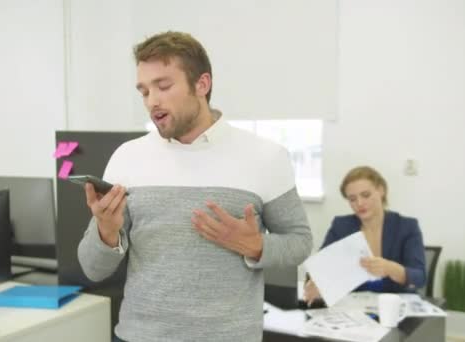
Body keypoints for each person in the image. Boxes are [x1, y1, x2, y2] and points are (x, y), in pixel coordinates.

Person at [77, 31, 313, 342]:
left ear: (202, 84)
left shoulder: (265, 157)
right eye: (144, 91)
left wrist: (255, 245)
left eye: (163, 86)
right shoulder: (127, 158)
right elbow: (92, 269)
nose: (152, 101)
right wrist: (106, 232)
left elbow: (300, 243)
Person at [303, 166, 426, 306]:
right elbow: (320, 267)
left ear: (381, 190)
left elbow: (420, 277)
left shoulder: (406, 226)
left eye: (366, 195)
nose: (359, 203)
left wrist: (391, 269)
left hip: (395, 308)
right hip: (353, 309)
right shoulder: (341, 226)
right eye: (352, 199)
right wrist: (316, 282)